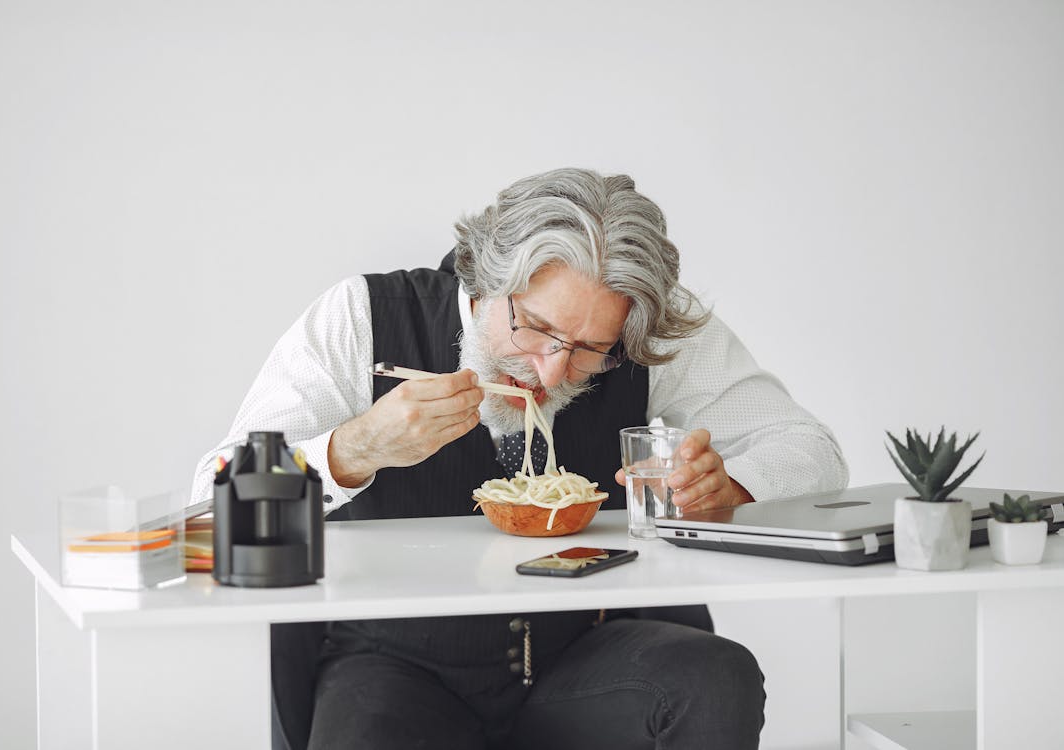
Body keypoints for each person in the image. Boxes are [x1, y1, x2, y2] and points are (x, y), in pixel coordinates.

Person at [192, 168, 849, 750]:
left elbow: (809, 450)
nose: (552, 369)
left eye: (592, 349)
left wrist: (729, 483)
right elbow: (208, 513)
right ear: (483, 277)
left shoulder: (646, 331)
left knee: (713, 676)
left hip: (584, 654)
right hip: (393, 666)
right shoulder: (360, 316)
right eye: (535, 327)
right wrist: (352, 450)